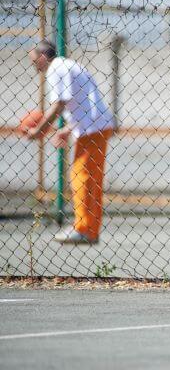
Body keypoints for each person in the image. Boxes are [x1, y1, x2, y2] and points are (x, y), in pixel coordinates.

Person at [27, 40, 114, 244]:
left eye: (33, 60)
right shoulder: (68, 65)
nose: (33, 65)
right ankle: (90, 229)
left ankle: (83, 229)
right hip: (96, 125)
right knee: (91, 180)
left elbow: (59, 104)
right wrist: (67, 129)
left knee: (80, 177)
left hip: (92, 128)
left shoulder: (55, 69)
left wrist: (40, 130)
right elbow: (82, 103)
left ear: (42, 57)